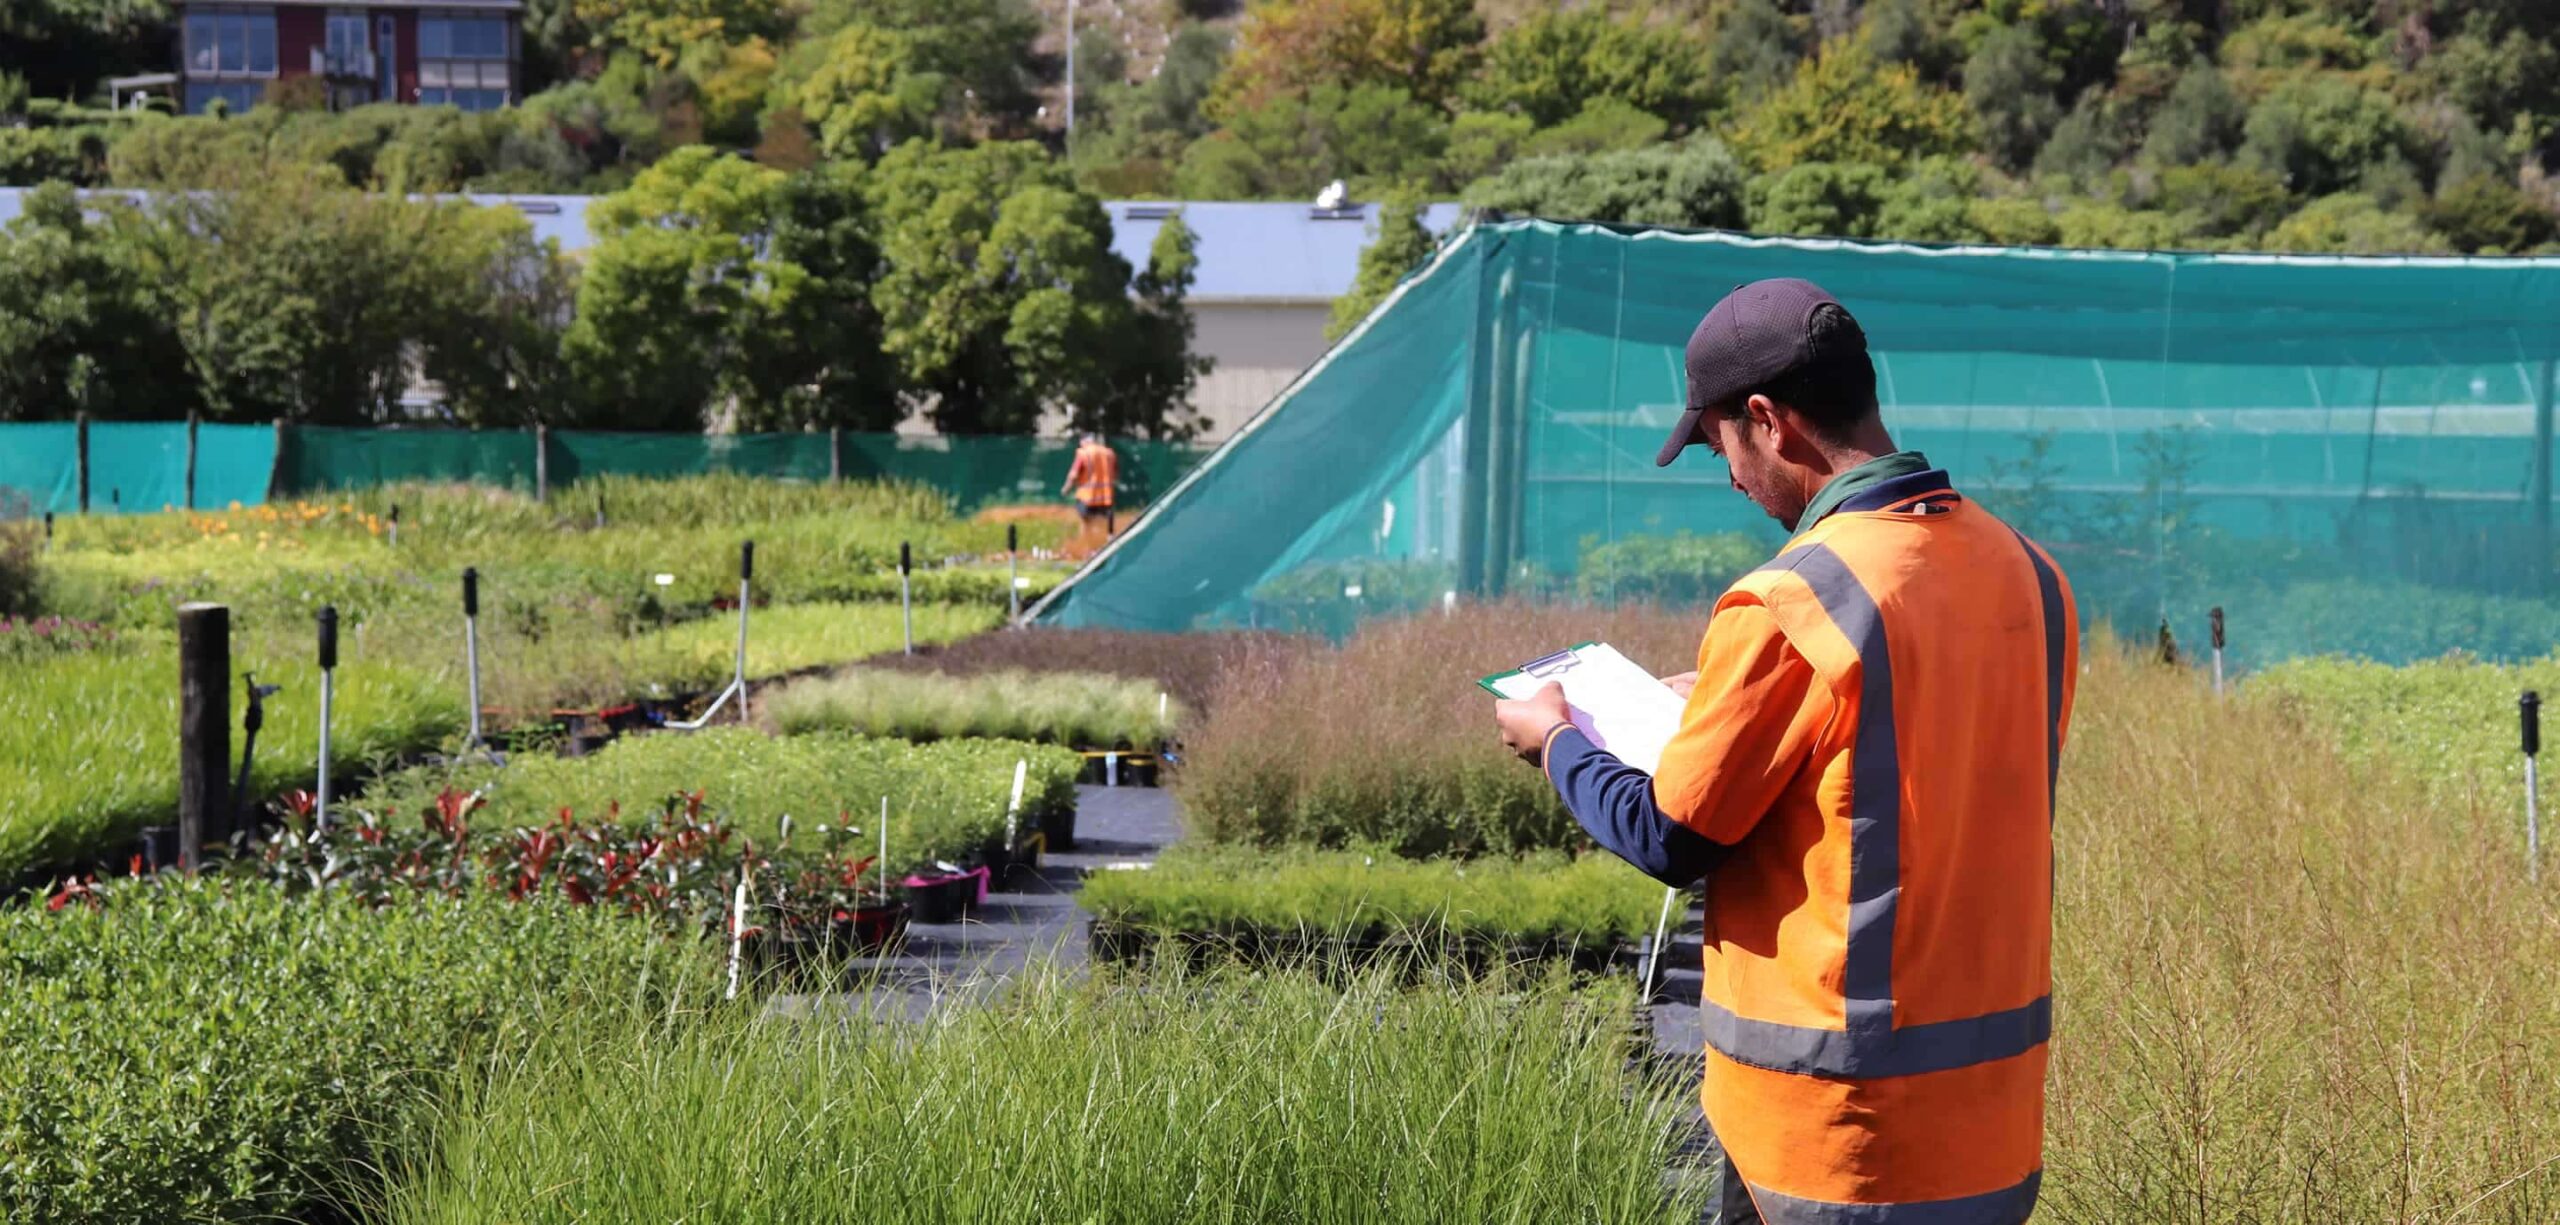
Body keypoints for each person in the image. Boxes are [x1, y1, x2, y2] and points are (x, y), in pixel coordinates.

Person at [1491, 279, 2077, 1224]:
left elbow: (1670, 834)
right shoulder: (2033, 578)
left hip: (1834, 1140)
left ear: (1766, 419)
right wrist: (1722, 704)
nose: (1728, 474)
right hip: (1991, 1129)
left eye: (1720, 441)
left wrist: (1555, 739)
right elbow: (1905, 750)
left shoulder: (1792, 600)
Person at [1062, 432, 1120, 536]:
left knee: (1085, 525)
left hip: (1087, 498)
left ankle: (1087, 546)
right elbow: (1116, 474)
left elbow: (1074, 475)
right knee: (1105, 529)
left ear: (1083, 442)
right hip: (1106, 499)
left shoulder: (1083, 453)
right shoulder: (1109, 453)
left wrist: (1066, 489)